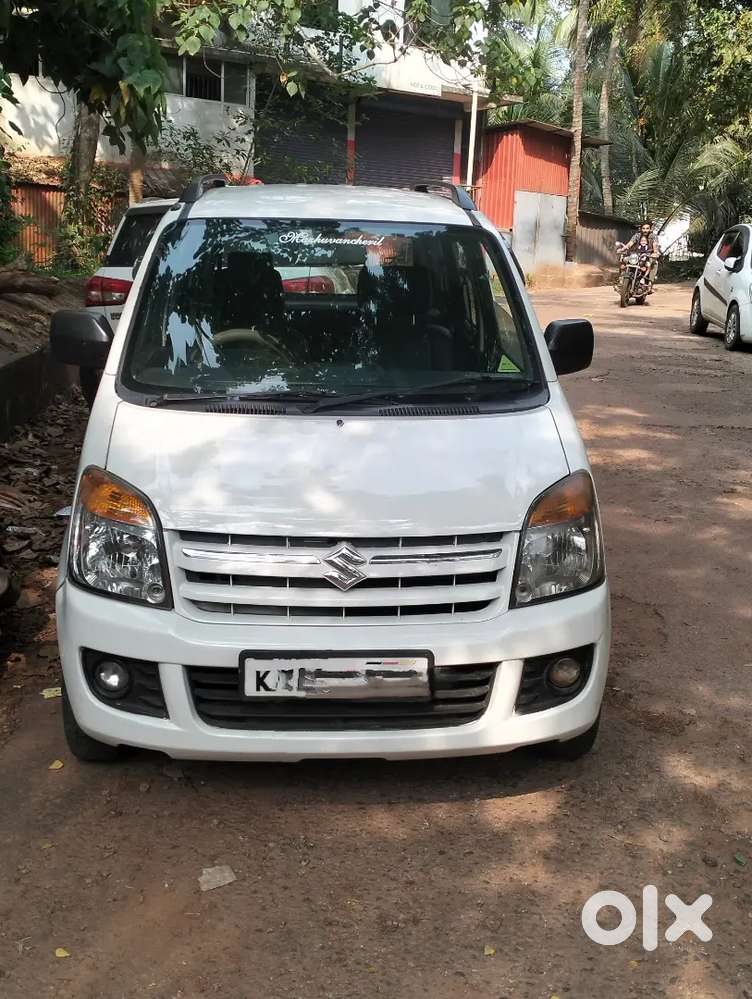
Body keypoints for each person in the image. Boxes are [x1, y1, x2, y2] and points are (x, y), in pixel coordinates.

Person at [618, 221, 661, 293]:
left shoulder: (653, 236)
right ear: (641, 229)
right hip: (637, 255)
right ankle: (621, 278)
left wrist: (655, 253)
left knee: (654, 263)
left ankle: (650, 284)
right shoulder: (637, 235)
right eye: (643, 228)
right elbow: (630, 244)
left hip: (648, 255)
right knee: (624, 259)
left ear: (650, 229)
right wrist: (622, 249)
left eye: (647, 228)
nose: (645, 230)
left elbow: (655, 245)